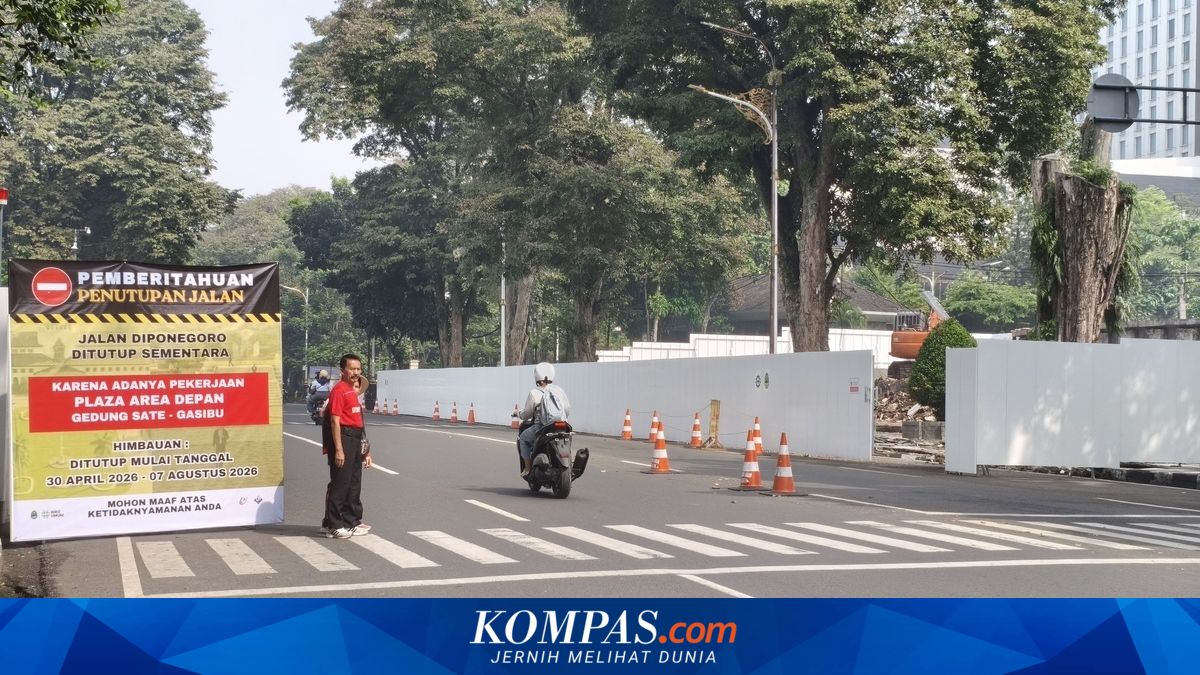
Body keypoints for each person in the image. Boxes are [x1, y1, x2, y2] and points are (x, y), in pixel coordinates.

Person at [321, 354, 373, 538]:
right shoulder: (339, 390)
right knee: (340, 483)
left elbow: (360, 424)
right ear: (342, 370)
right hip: (343, 438)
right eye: (352, 369)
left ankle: (351, 521)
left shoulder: (352, 391)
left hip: (355, 439)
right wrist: (339, 449)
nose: (356, 372)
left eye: (358, 369)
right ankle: (333, 524)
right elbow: (335, 421)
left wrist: (366, 451)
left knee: (353, 482)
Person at [517, 362, 571, 477]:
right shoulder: (559, 391)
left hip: (541, 427)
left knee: (523, 439)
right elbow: (567, 410)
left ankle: (527, 468)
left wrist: (518, 414)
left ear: (537, 378)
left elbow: (527, 414)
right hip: (562, 425)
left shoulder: (534, 393)